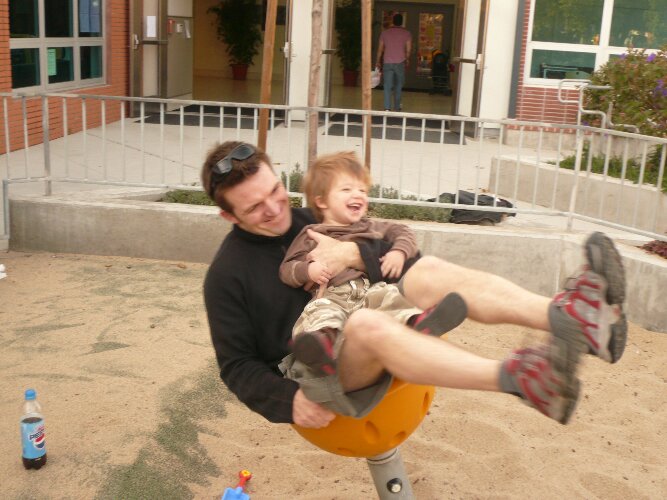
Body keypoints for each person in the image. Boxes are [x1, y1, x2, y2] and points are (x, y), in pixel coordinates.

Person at [202, 140, 627, 429]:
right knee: (367, 325)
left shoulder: (310, 220)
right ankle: (529, 381)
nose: (275, 208)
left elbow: (397, 257)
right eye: (255, 207)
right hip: (317, 370)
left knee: (428, 269)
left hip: (371, 310)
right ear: (228, 215)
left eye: (276, 191)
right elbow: (236, 366)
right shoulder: (226, 274)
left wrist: (353, 255)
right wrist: (287, 400)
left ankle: (573, 318)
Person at [278, 152, 467, 416]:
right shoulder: (312, 234)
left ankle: (416, 322)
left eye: (362, 190)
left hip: (369, 291)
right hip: (333, 294)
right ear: (321, 201)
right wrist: (308, 270)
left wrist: (398, 251)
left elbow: (403, 232)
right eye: (347, 189)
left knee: (391, 295)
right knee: (320, 312)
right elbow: (287, 268)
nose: (358, 195)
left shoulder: (371, 226)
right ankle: (320, 348)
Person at [376, 13, 412, 111]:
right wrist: (407, 59)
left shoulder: (384, 33)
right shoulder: (407, 34)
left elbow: (380, 49)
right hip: (400, 62)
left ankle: (387, 107)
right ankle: (397, 107)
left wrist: (378, 61)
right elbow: (408, 50)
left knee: (387, 86)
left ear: (393, 21)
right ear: (402, 22)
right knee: (398, 86)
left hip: (387, 62)